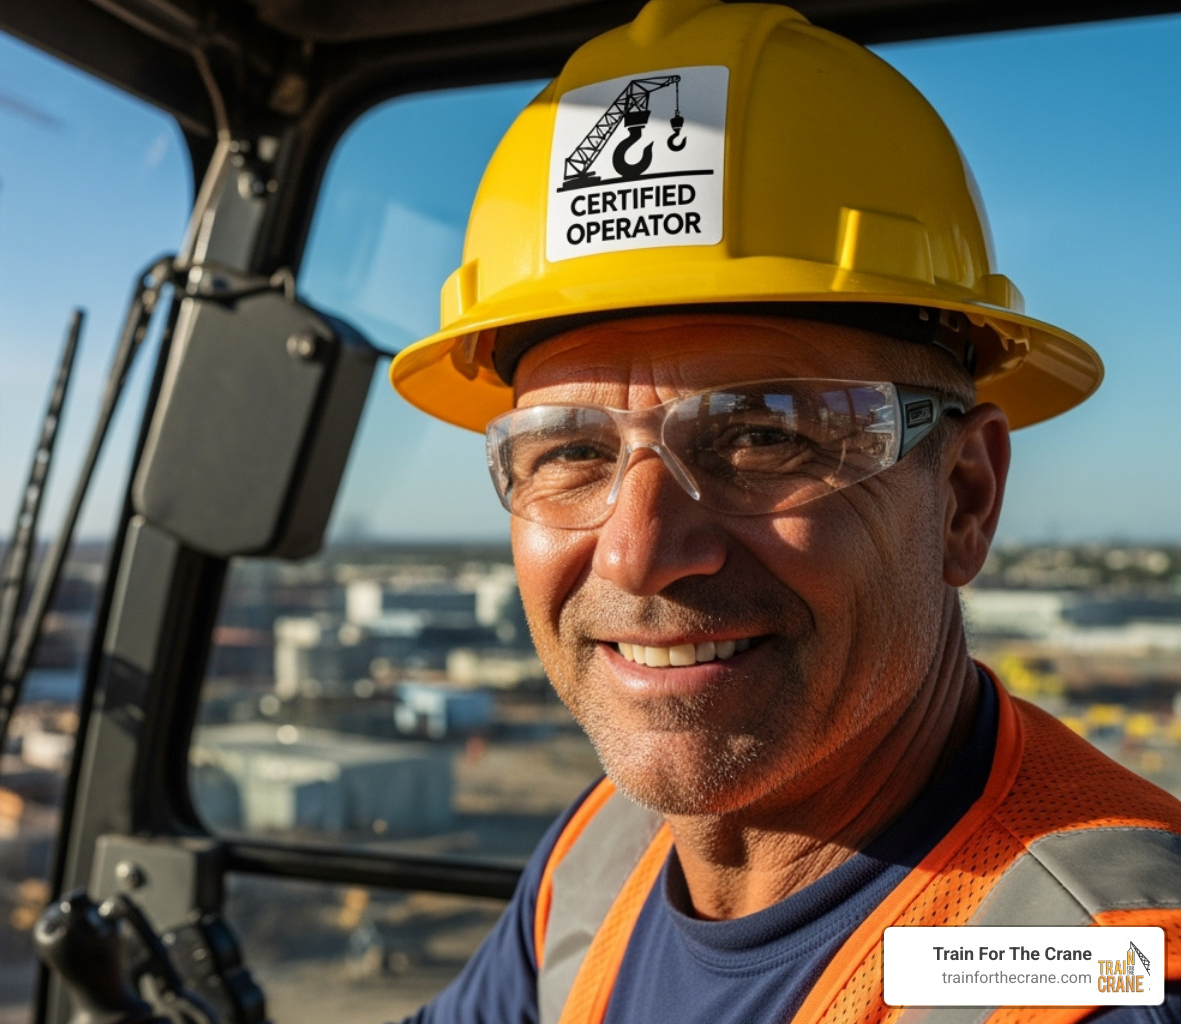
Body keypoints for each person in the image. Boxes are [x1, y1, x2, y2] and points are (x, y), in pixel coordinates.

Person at [386, 0, 1181, 1021]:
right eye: (572, 452)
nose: (637, 552)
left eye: (764, 437)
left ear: (963, 497)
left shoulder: (1087, 970)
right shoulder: (603, 859)